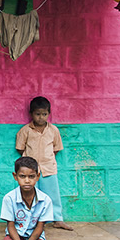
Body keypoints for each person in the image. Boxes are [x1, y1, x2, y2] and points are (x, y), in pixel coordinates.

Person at [15, 96, 73, 230]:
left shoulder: (53, 131)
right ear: (31, 114)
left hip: (48, 168)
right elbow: (20, 148)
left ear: (49, 114)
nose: (41, 117)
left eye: (44, 114)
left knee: (53, 195)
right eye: (37, 114)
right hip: (30, 171)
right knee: (31, 195)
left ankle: (57, 219)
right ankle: (32, 220)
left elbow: (56, 148)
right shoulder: (25, 131)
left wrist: (46, 158)